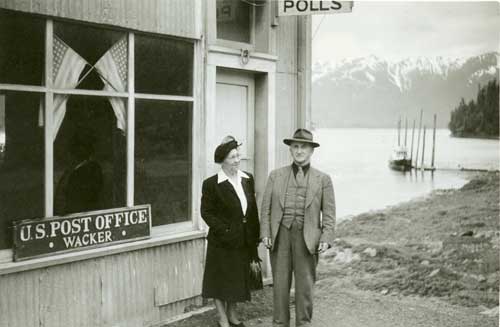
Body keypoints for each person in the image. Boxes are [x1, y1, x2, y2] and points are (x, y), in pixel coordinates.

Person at [260, 128, 336, 327]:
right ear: (290, 150)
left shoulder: (323, 179)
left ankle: (304, 323)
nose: (299, 151)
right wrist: (265, 233)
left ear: (311, 151)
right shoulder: (276, 176)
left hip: (307, 238)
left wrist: (326, 238)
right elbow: (265, 208)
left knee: (305, 287)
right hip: (280, 236)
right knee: (280, 286)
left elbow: (329, 214)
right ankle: (279, 323)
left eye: (304, 147)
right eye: (295, 147)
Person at [201, 136, 260, 327]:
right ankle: (222, 318)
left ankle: (232, 314)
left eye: (238, 156)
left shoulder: (247, 178)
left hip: (243, 239)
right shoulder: (212, 184)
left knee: (236, 278)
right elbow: (206, 213)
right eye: (233, 157)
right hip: (222, 240)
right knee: (219, 280)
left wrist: (254, 235)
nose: (237, 160)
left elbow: (252, 210)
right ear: (223, 160)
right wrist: (225, 231)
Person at [54, 131, 103, 215]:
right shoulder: (72, 169)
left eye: (80, 147)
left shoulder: (91, 169)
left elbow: (85, 199)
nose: (73, 151)